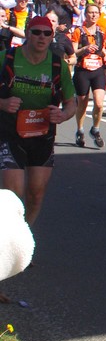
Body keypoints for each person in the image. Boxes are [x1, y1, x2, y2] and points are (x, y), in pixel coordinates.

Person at [0, 15, 75, 226]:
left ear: (52, 37)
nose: (42, 37)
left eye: (47, 33)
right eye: (36, 32)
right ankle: (10, 238)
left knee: (36, 194)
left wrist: (62, 115)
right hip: (10, 132)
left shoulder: (57, 65)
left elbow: (71, 104)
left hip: (42, 134)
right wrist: (3, 104)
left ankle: (24, 235)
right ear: (27, 34)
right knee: (13, 195)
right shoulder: (6, 58)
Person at [70, 2, 106, 149]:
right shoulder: (78, 31)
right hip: (83, 70)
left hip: (98, 70)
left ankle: (95, 129)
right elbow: (73, 52)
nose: (93, 15)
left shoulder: (102, 31)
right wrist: (85, 49)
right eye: (91, 12)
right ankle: (80, 130)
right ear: (86, 15)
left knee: (99, 103)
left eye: (96, 13)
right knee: (82, 102)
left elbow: (102, 48)